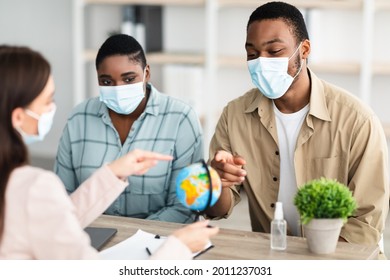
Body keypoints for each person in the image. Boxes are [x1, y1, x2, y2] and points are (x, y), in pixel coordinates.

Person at [0, 45, 218, 259]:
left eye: (128, 79)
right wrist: (177, 248)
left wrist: (111, 175)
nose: (52, 108)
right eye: (48, 100)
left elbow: (54, 218)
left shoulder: (16, 183)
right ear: (18, 117)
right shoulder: (35, 187)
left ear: (146, 73)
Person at [207, 1, 389, 250]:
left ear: (304, 50)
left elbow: (365, 226)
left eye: (274, 52)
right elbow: (218, 210)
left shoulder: (357, 120)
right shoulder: (235, 115)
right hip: (273, 256)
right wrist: (216, 184)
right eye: (252, 54)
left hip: (340, 259)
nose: (261, 62)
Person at [54, 34, 204, 224]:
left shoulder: (181, 119)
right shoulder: (79, 118)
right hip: (91, 239)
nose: (118, 89)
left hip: (158, 241)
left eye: (129, 79)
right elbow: (62, 199)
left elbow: (185, 207)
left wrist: (133, 237)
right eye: (107, 82)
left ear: (146, 73)